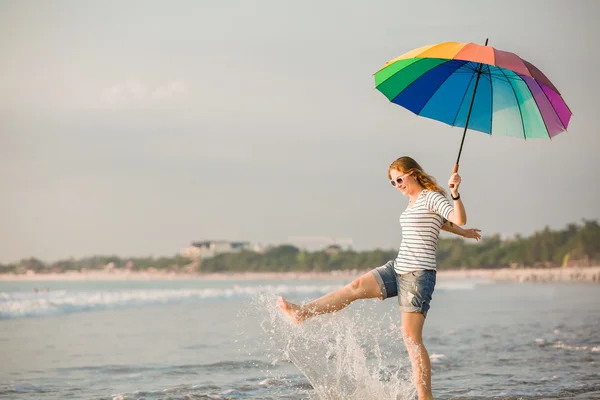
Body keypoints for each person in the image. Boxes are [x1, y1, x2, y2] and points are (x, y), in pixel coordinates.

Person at [277, 156, 480, 400]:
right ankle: (302, 313)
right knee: (355, 286)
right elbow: (442, 222)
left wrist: (455, 194)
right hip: (398, 268)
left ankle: (426, 397)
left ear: (413, 173)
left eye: (400, 179)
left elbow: (457, 217)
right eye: (393, 182)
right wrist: (463, 234)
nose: (398, 185)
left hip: (418, 275)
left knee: (411, 339)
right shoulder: (414, 200)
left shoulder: (432, 196)